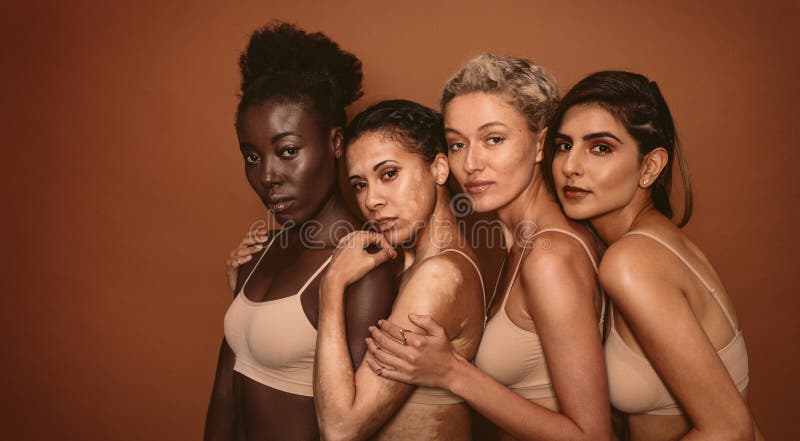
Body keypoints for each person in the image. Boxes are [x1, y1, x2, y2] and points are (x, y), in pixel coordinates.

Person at [368, 55, 611, 440]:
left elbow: (592, 436)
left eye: (493, 139)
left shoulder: (549, 258)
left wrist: (451, 371)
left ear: (540, 144)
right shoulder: (519, 245)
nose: (471, 163)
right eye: (457, 144)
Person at [543, 70, 763, 440]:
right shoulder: (658, 241)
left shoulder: (632, 262)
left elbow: (731, 429)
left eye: (601, 148)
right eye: (564, 145)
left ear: (649, 167)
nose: (570, 167)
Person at [204, 22, 396, 441]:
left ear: (335, 142)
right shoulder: (259, 250)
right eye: (251, 156)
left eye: (288, 151)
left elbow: (348, 428)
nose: (267, 175)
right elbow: (224, 396)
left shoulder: (365, 265)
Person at [314, 99, 486, 441]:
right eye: (360, 184)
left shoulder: (438, 276)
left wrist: (331, 285)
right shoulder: (410, 263)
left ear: (438, 169)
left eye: (388, 174)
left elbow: (340, 428)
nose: (371, 201)